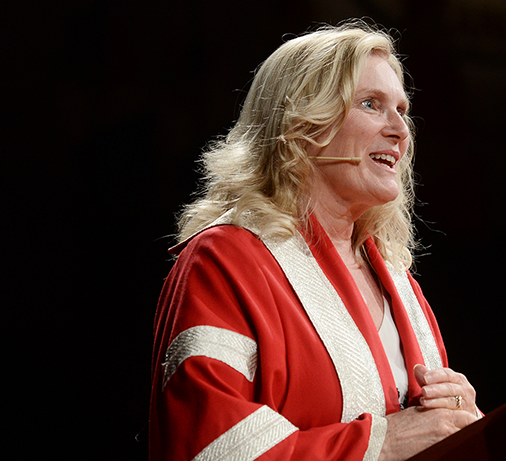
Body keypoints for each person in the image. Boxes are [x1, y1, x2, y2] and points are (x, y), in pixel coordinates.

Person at [150, 21, 481, 461]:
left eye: (402, 110)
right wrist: (379, 445)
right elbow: (210, 446)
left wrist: (465, 426)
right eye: (371, 104)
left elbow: (425, 436)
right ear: (301, 125)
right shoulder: (226, 262)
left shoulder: (397, 279)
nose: (401, 130)